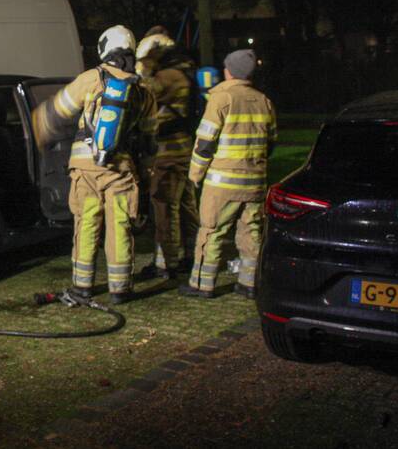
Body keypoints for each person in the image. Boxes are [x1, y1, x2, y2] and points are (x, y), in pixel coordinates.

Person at [32, 25, 157, 304]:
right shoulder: (143, 90)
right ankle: (120, 288)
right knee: (120, 227)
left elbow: (58, 111)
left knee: (87, 223)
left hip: (86, 168)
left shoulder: (91, 78)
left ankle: (82, 287)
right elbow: (149, 140)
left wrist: (36, 128)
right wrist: (146, 173)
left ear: (105, 48)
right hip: (121, 170)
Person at [180, 49, 276, 300]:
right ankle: (248, 284)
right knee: (251, 232)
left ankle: (202, 284)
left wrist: (195, 175)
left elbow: (205, 142)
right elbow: (271, 143)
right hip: (255, 183)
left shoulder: (222, 98)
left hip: (222, 184)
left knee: (211, 232)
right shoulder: (264, 101)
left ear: (228, 71)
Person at [135, 31, 200, 280]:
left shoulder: (168, 76)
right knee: (186, 205)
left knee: (164, 205)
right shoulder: (183, 72)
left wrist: (143, 66)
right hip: (183, 149)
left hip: (169, 152)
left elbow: (142, 94)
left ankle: (166, 263)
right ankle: (193, 254)